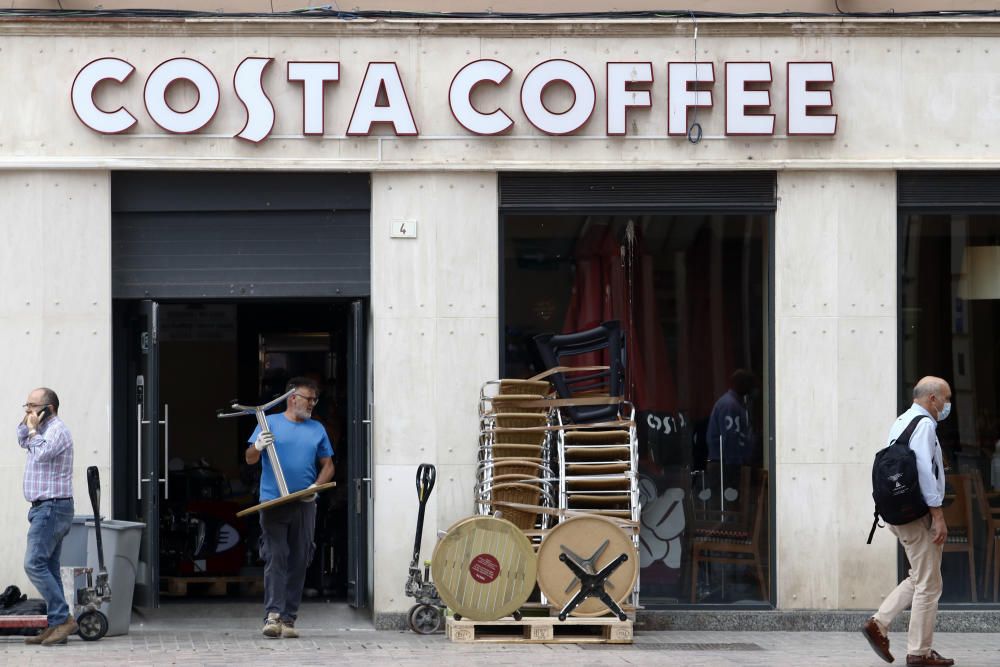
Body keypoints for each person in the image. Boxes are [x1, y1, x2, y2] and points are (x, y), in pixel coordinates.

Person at [861, 376, 954, 667]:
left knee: (920, 577)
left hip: (899, 513)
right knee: (929, 584)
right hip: (918, 516)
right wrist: (938, 515)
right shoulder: (924, 425)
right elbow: (925, 472)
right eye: (946, 399)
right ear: (932, 399)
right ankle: (919, 652)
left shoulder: (902, 421)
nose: (948, 405)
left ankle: (879, 624)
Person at [245, 377, 334, 639]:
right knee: (276, 555)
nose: (312, 405)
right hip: (273, 502)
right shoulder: (269, 423)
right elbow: (250, 459)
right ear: (292, 398)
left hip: (304, 503)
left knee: (300, 558)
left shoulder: (317, 428)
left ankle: (289, 618)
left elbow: (328, 465)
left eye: (315, 400)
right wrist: (258, 446)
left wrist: (315, 488)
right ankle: (272, 615)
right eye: (309, 399)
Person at [17, 387, 77, 646]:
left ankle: (63, 619)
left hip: (52, 508)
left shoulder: (57, 431)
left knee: (34, 564)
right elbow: (22, 441)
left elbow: (41, 453)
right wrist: (27, 423)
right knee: (49, 567)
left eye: (33, 406)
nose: (28, 410)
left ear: (49, 409)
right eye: (26, 405)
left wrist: (33, 430)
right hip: (43, 508)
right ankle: (56, 625)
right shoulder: (40, 429)